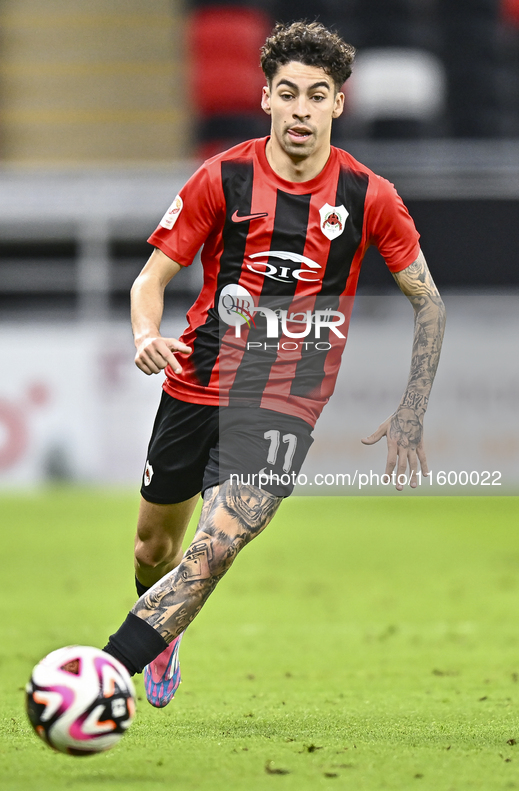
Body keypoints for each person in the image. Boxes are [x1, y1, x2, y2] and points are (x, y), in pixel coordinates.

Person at [103, 21, 446, 707]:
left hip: (285, 401)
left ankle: (105, 668)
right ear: (264, 98)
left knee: (220, 539)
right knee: (152, 549)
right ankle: (163, 628)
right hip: (195, 384)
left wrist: (409, 409)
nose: (300, 109)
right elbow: (150, 280)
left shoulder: (367, 196)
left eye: (316, 96)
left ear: (337, 105)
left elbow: (428, 303)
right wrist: (145, 333)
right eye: (287, 93)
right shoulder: (221, 177)